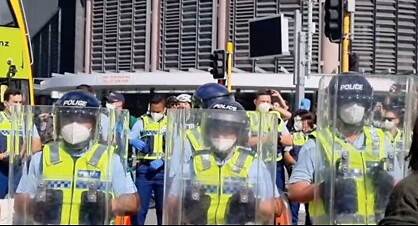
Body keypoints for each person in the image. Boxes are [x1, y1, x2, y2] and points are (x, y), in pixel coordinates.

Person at [288, 73, 404, 225]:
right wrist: (326, 189)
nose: (354, 108)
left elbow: (402, 187)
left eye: (359, 103)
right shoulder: (318, 143)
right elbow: (295, 191)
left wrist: (387, 183)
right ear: (334, 106)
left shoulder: (381, 140)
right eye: (347, 103)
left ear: (367, 106)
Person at [12, 90, 139, 225]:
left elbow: (133, 202)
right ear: (59, 122)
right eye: (68, 118)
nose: (74, 125)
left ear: (95, 124)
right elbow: (20, 199)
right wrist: (34, 206)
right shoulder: (42, 158)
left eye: (82, 119)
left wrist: (109, 206)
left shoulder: (110, 159)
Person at [163, 99, 282, 225]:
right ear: (207, 131)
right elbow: (171, 205)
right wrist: (187, 205)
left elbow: (277, 208)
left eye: (228, 129)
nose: (221, 134)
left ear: (239, 133)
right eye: (216, 128)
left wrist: (253, 207)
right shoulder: (192, 164)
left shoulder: (253, 164)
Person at [129, 94, 167, 225]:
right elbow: (130, 136)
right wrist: (133, 140)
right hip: (144, 170)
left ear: (164, 109)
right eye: (153, 111)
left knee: (163, 210)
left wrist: (164, 160)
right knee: (140, 209)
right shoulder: (142, 122)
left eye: (158, 111)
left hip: (163, 171)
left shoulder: (171, 123)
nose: (155, 113)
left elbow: (176, 147)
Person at [0, 88, 42, 199]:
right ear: (5, 103)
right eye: (15, 102)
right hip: (1, 167)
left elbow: (37, 144)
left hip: (17, 168)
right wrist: (2, 156)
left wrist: (22, 153)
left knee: (13, 201)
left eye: (20, 103)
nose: (18, 106)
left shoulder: (25, 121)